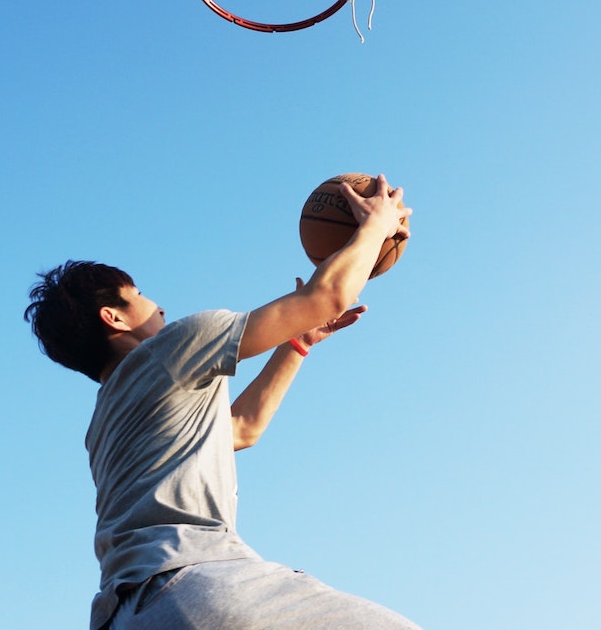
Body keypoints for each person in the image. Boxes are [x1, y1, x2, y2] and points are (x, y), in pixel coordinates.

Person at [25, 175, 420, 630]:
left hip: (129, 614)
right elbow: (329, 295)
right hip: (192, 580)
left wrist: (297, 343)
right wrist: (375, 225)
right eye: (141, 297)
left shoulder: (106, 423)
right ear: (112, 317)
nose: (160, 309)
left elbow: (242, 428)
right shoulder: (171, 346)